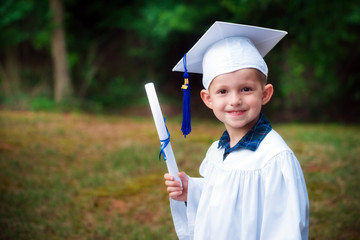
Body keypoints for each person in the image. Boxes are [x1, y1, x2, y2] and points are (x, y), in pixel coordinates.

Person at [164, 21, 309, 239]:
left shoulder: (275, 160)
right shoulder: (218, 150)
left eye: (246, 89)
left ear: (265, 94)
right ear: (208, 99)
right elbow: (225, 203)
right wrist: (191, 192)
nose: (235, 100)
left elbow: (284, 229)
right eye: (223, 91)